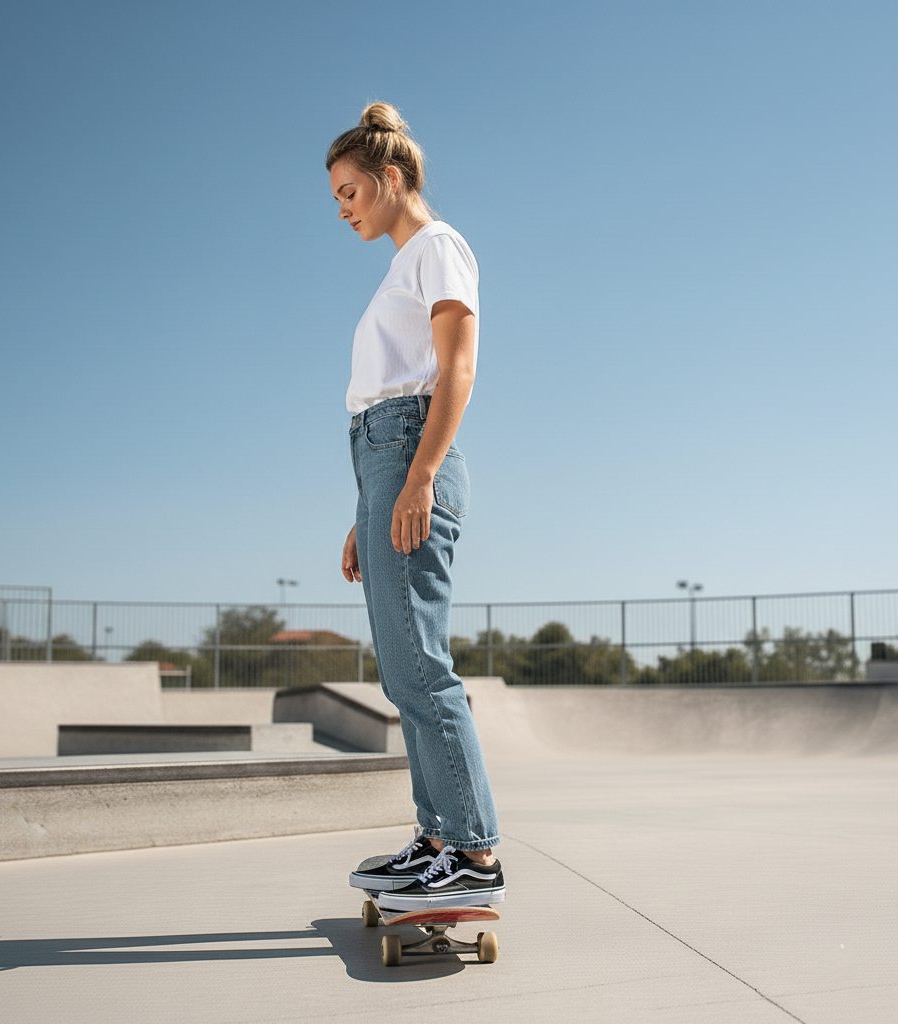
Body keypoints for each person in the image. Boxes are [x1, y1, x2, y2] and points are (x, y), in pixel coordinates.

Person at [327, 102, 504, 910]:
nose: (344, 208)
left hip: (409, 456)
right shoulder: (400, 269)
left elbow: (456, 368)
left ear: (391, 178)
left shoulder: (439, 246)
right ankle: (436, 838)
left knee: (423, 669)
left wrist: (419, 475)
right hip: (385, 463)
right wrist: (367, 505)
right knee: (403, 675)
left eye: (351, 191)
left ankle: (474, 851)